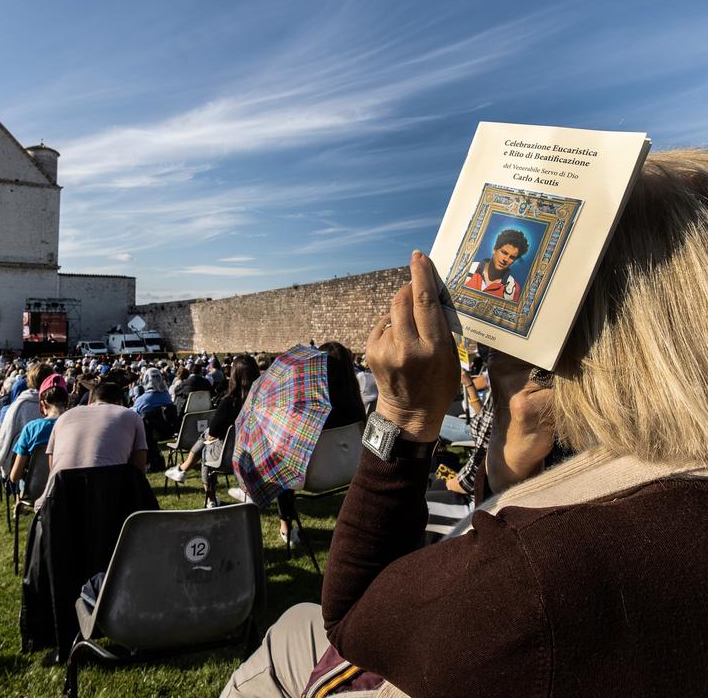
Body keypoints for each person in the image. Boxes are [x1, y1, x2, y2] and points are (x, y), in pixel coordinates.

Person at [221, 150, 708, 698]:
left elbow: (354, 624)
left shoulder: (527, 577)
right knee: (293, 626)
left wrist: (402, 418)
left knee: (285, 643)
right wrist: (508, 473)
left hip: (417, 647)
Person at [165, 354, 260, 507]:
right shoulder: (263, 402)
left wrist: (209, 437)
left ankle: (208, 496)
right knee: (207, 438)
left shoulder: (229, 403)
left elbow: (214, 433)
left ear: (234, 375)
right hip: (256, 454)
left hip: (230, 456)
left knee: (206, 445)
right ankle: (183, 470)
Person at [36, 381, 146, 509]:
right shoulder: (131, 416)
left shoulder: (64, 418)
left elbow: (52, 466)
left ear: (90, 401)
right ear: (120, 402)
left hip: (58, 506)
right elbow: (139, 471)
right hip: (111, 505)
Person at [7, 377, 69, 492]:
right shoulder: (74, 425)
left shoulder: (31, 429)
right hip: (66, 488)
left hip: (36, 490)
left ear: (42, 404)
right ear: (67, 402)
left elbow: (14, 476)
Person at [464, 227, 529, 302]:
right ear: (494, 249)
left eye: (512, 257)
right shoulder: (469, 268)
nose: (506, 259)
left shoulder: (513, 289)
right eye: (504, 252)